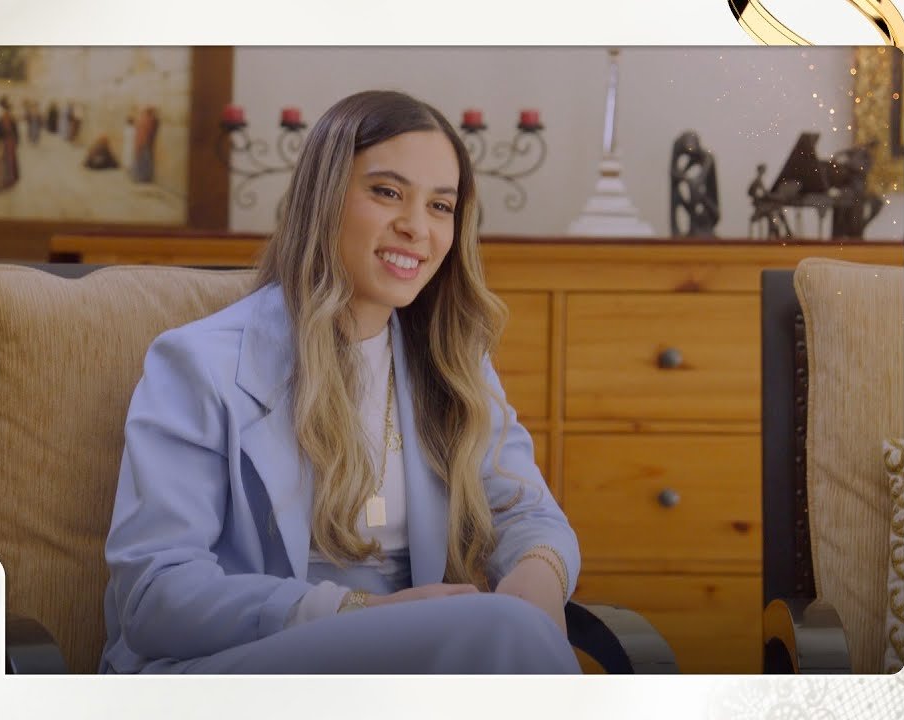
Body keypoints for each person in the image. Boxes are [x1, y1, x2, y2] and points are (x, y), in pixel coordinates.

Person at [102, 90, 581, 674]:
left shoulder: (455, 362)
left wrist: (536, 581)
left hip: (415, 668)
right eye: (387, 193)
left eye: (440, 206)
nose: (416, 227)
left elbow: (530, 516)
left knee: (510, 632)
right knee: (501, 637)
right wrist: (360, 612)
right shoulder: (197, 363)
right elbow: (154, 596)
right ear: (324, 198)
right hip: (235, 665)